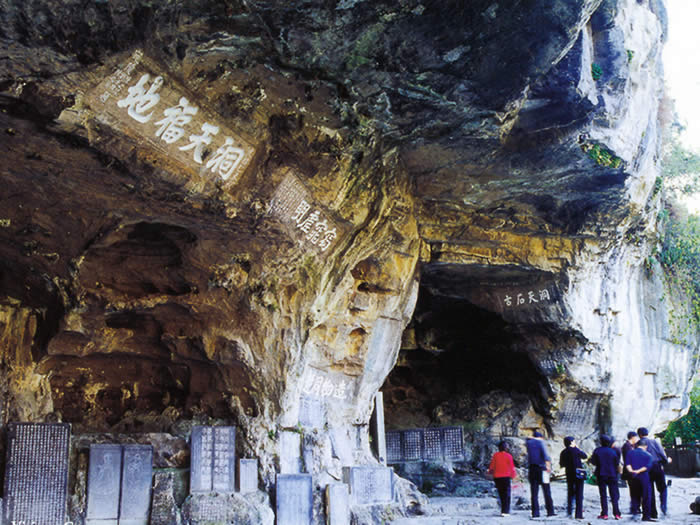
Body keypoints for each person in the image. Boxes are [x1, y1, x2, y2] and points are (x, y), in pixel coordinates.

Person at [637, 426, 672, 518]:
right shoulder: (654, 442)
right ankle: (663, 505)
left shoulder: (638, 444)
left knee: (649, 491)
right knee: (662, 488)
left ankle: (653, 513)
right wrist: (664, 463)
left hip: (645, 468)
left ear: (639, 435)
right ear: (647, 433)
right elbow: (662, 454)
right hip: (657, 466)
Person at [590, 434, 622, 520]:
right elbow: (617, 463)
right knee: (614, 494)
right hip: (612, 474)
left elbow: (593, 462)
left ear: (601, 442)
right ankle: (617, 514)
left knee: (603, 495)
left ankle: (604, 514)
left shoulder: (597, 451)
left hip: (601, 474)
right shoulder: (613, 452)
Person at [526, 430, 556, 518]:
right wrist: (548, 468)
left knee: (534, 492)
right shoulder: (541, 442)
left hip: (532, 468)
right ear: (541, 437)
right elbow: (546, 456)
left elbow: (527, 439)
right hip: (542, 468)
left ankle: (535, 513)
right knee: (546, 490)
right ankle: (550, 511)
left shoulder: (529, 443)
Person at [625, 438, 655, 522]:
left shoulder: (630, 453)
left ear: (636, 445)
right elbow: (647, 467)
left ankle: (634, 513)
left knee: (634, 495)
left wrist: (632, 471)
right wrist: (638, 471)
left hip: (633, 477)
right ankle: (646, 516)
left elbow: (627, 464)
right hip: (644, 477)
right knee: (646, 497)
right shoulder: (648, 455)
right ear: (645, 446)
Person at [559, 436, 587, 519]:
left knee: (570, 493)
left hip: (569, 473)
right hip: (578, 474)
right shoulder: (576, 450)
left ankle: (569, 511)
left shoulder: (563, 452)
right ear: (571, 442)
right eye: (574, 441)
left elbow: (562, 464)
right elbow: (584, 456)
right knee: (579, 493)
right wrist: (577, 448)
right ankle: (578, 514)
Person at [488, 440, 518, 517]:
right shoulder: (509, 456)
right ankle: (506, 511)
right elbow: (511, 468)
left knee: (501, 494)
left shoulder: (495, 455)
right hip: (506, 477)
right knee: (507, 494)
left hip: (497, 477)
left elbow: (492, 467)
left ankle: (502, 510)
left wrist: (489, 474)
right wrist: (514, 477)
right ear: (505, 448)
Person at [621, 431, 640, 514]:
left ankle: (636, 507)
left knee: (636, 489)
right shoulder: (627, 446)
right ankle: (634, 508)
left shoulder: (632, 446)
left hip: (633, 471)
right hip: (630, 471)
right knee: (633, 490)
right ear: (632, 437)